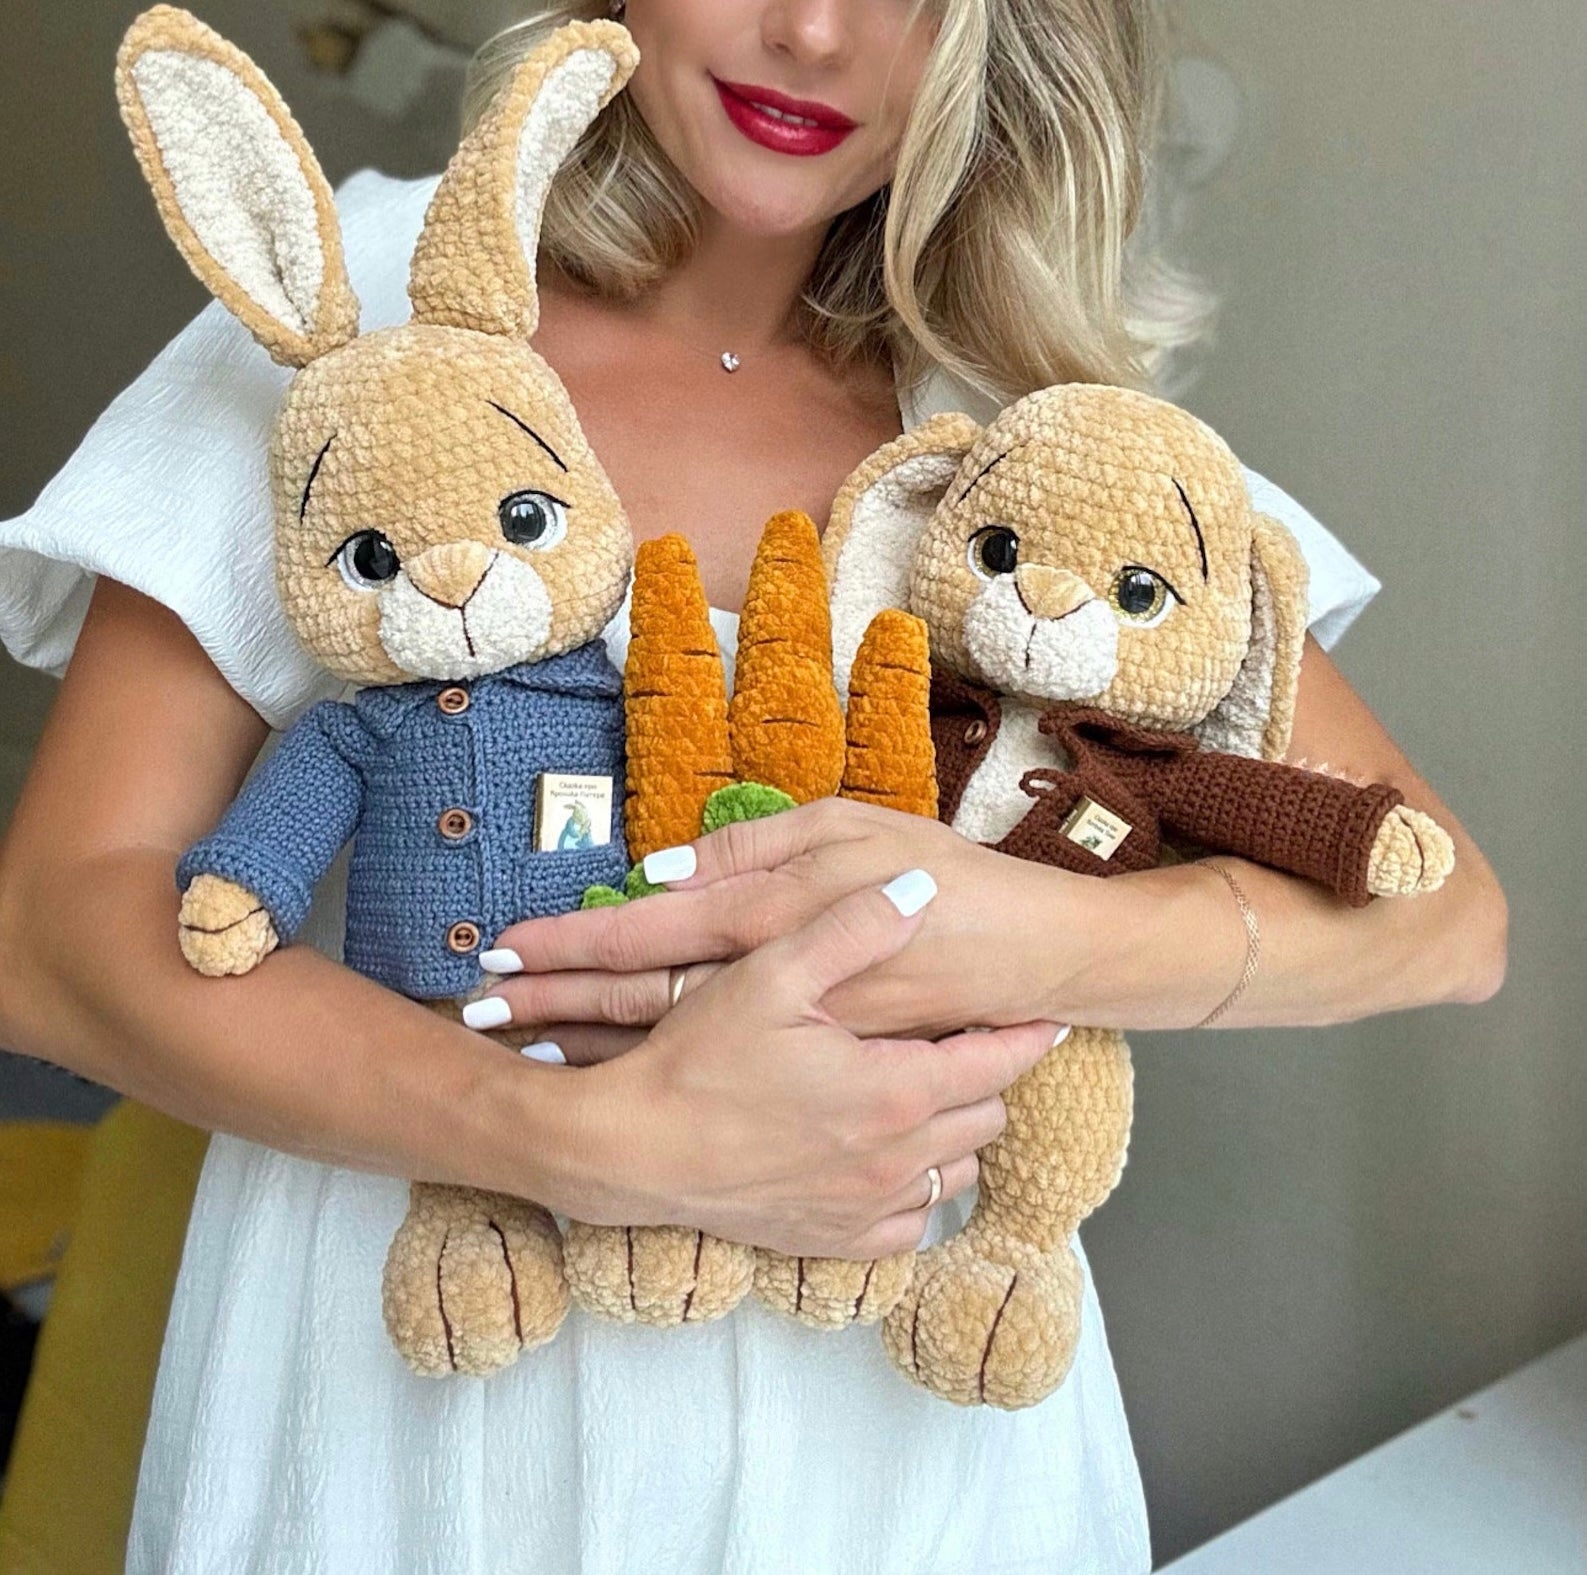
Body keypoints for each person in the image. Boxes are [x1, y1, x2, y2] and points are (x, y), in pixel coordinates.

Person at [0, 0, 1506, 1569]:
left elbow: (1445, 916)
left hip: (890, 1434)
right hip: (420, 1373)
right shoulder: (366, 312)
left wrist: (1017, 935)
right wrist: (585, 1142)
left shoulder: (1024, 442)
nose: (812, 31)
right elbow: (48, 935)